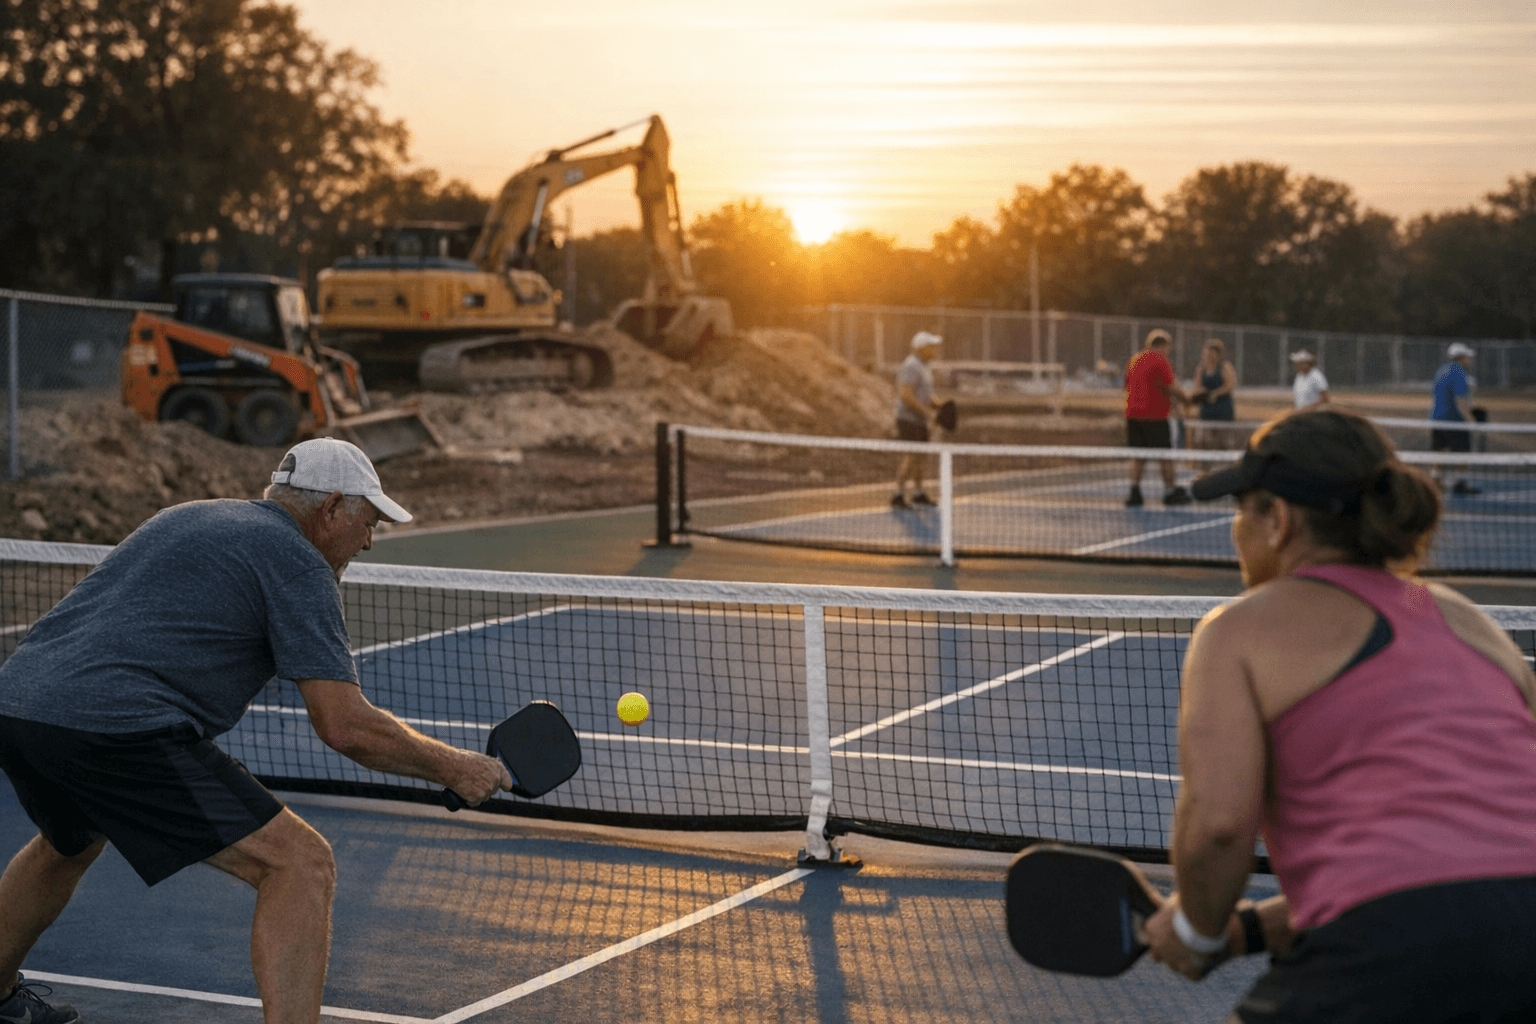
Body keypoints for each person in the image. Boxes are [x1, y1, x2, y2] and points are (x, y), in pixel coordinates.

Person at [0, 437, 512, 1024]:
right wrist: (458, 769)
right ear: (330, 509)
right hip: (120, 727)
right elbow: (345, 727)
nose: (368, 541)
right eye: (367, 522)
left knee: (67, 843)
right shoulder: (297, 561)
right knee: (300, 864)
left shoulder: (188, 515)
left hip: (19, 703)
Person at [1143, 407, 1536, 1022]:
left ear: (1278, 520)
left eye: (1240, 509)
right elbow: (1448, 869)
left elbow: (1220, 825)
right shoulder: (1475, 624)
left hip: (1384, 955)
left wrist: (1195, 930)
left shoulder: (1237, 630)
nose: (1236, 530)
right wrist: (1243, 933)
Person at [1123, 328, 1192, 507]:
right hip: (1155, 417)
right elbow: (1172, 387)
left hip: (1133, 416)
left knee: (1138, 456)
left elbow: (1127, 385)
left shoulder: (1134, 359)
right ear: (1164, 345)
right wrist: (1187, 400)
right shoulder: (1161, 360)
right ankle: (1170, 492)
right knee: (1165, 456)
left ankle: (1134, 491)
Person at [891, 330, 943, 508]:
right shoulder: (911, 365)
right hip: (908, 419)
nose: (935, 349)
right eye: (931, 346)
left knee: (921, 457)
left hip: (919, 420)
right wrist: (928, 412)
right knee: (911, 456)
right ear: (922, 348)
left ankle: (918, 493)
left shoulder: (924, 366)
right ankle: (897, 494)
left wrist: (938, 406)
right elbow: (906, 395)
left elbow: (926, 393)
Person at [1431, 342, 1480, 496]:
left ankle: (1434, 482)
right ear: (1462, 358)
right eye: (1467, 356)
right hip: (1454, 421)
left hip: (1436, 418)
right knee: (1463, 452)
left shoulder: (1441, 370)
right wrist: (1472, 422)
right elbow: (1461, 402)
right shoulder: (1459, 372)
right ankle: (1460, 484)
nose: (1469, 360)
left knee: (1440, 451)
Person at [1186, 338, 1238, 449]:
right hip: (1206, 409)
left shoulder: (1224, 366)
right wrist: (1203, 393)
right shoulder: (1201, 369)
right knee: (1205, 441)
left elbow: (1230, 385)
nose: (1208, 355)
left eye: (1212, 352)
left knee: (1224, 442)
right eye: (1206, 352)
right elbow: (1197, 386)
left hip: (1223, 409)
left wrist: (1215, 393)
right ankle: (1205, 465)